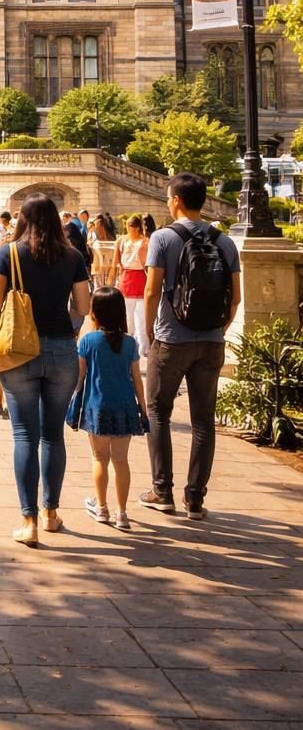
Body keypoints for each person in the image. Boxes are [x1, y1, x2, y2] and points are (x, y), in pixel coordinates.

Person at [0, 194, 90, 546]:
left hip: (20, 350)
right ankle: (51, 513)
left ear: (23, 219)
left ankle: (29, 522)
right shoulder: (72, 256)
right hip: (61, 350)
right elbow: (83, 304)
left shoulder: (11, 253)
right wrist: (68, 329)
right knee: (54, 435)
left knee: (24, 435)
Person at [141, 173, 241, 520]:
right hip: (212, 341)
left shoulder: (163, 237)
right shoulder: (225, 242)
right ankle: (195, 499)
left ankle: (162, 491)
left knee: (158, 412)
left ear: (177, 201)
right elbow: (236, 299)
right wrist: (218, 328)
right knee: (203, 421)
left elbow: (152, 290)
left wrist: (152, 332)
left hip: (171, 338)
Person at [68, 285, 148, 531]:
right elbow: (136, 379)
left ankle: (101, 507)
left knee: (99, 458)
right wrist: (143, 410)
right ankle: (122, 513)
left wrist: (70, 399)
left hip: (97, 407)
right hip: (124, 406)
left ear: (95, 313)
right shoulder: (130, 343)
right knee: (121, 460)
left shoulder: (88, 341)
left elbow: (79, 378)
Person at [108, 214, 149, 365]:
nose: (130, 229)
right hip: (126, 278)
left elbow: (147, 264)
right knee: (126, 316)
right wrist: (112, 280)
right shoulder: (121, 241)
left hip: (140, 277)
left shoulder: (145, 242)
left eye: (133, 226)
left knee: (141, 317)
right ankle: (125, 345)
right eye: (129, 226)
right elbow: (115, 262)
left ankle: (143, 348)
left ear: (138, 227)